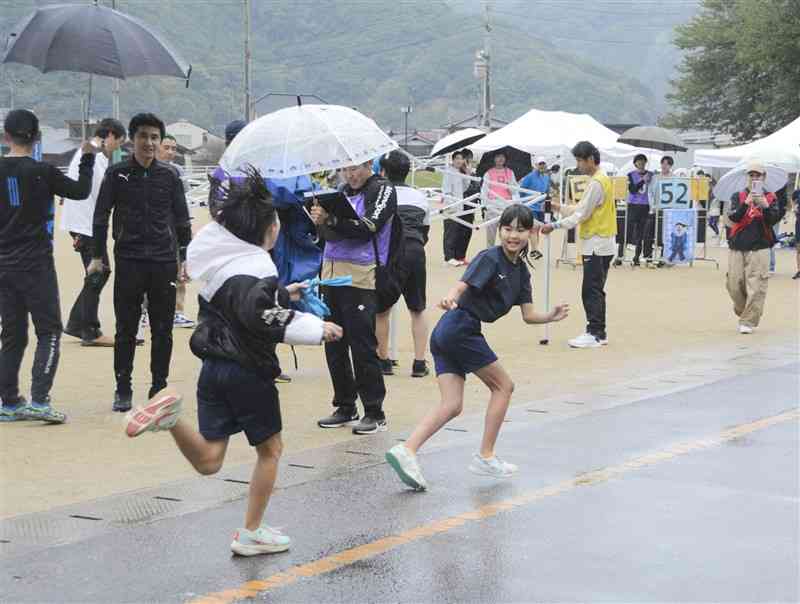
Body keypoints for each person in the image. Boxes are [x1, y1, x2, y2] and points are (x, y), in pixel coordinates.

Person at [124, 169, 342, 556]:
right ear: (268, 230)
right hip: (248, 371)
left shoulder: (223, 267)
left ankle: (172, 419)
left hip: (214, 369)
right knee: (271, 450)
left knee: (210, 460)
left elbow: (243, 303)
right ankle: (251, 532)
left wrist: (284, 293)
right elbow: (261, 317)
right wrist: (315, 328)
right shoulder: (258, 268)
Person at [385, 204, 568, 489]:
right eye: (507, 229)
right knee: (503, 387)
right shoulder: (490, 258)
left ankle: (406, 449)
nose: (513, 236)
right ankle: (486, 455)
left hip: (451, 331)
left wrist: (551, 316)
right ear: (500, 230)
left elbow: (529, 315)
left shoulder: (521, 272)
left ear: (529, 232)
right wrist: (449, 297)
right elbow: (461, 286)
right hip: (459, 326)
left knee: (452, 405)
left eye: (520, 230)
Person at [89, 113, 192, 412]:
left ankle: (159, 386)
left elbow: (183, 219)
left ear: (159, 141)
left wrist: (184, 257)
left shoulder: (170, 175)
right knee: (126, 328)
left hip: (163, 260)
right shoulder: (117, 174)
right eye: (143, 136)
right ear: (132, 140)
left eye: (154, 137)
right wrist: (97, 256)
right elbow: (100, 216)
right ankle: (123, 387)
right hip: (129, 259)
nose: (148, 142)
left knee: (163, 328)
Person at [0, 109, 97, 423]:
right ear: (37, 137)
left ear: (5, 137)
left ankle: (10, 402)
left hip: (3, 265)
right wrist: (86, 157)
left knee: (12, 335)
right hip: (36, 264)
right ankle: (40, 400)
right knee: (49, 331)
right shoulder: (43, 171)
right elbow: (81, 191)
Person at [310, 160, 396, 434]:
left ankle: (374, 411)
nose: (351, 174)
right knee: (333, 341)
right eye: (345, 169)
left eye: (356, 168)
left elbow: (368, 227)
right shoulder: (338, 193)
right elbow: (325, 235)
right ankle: (345, 405)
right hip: (331, 271)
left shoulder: (382, 189)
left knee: (361, 344)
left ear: (369, 164)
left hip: (363, 274)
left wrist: (332, 220)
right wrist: (318, 221)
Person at [542, 141, 616, 349]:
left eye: (580, 160)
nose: (579, 165)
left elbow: (581, 215)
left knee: (591, 290)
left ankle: (595, 332)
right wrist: (559, 206)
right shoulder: (602, 179)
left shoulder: (596, 183)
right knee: (596, 289)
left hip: (596, 242)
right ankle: (598, 332)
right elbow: (581, 208)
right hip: (604, 242)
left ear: (590, 159)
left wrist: (554, 225)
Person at [61, 118, 125, 347]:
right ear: (109, 135)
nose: (115, 149)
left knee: (97, 273)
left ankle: (78, 323)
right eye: (117, 143)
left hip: (79, 222)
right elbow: (101, 193)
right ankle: (89, 329)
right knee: (99, 272)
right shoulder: (96, 155)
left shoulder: (87, 150)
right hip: (85, 223)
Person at [375, 151, 430, 378]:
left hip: (391, 253)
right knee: (417, 309)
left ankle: (384, 361)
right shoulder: (420, 197)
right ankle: (419, 363)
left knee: (381, 310)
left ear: (383, 171)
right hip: (416, 251)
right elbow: (425, 230)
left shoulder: (381, 194)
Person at [725, 161, 781, 334]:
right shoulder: (737, 196)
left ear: (764, 178)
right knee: (734, 284)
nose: (754, 178)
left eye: (758, 175)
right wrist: (745, 204)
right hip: (738, 245)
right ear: (747, 177)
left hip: (760, 246)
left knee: (757, 285)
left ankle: (748, 321)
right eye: (751, 175)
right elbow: (733, 218)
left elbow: (774, 220)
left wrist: (765, 206)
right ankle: (744, 310)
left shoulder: (771, 197)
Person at [158, 134, 195, 329]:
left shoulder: (179, 172)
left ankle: (177, 312)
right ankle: (147, 312)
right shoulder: (148, 171)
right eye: (167, 147)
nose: (171, 152)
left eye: (174, 148)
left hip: (177, 230)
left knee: (181, 271)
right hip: (157, 231)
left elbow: (185, 203)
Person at [617, 153, 653, 266]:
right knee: (627, 230)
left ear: (646, 162)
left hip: (645, 206)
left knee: (641, 233)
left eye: (643, 161)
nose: (641, 163)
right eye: (638, 161)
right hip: (632, 205)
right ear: (635, 163)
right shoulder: (630, 175)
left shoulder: (651, 175)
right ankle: (620, 256)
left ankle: (637, 256)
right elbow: (632, 189)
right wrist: (643, 181)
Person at [441, 150, 474, 267]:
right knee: (450, 232)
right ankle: (448, 257)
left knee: (457, 232)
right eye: (458, 158)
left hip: (459, 206)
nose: (460, 161)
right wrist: (451, 204)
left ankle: (455, 256)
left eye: (462, 159)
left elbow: (465, 187)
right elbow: (446, 190)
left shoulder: (460, 172)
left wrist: (467, 174)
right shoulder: (448, 171)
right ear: (453, 159)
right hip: (451, 206)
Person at [481, 151, 518, 247]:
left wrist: (510, 184)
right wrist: (484, 205)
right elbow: (484, 191)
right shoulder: (488, 173)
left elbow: (514, 191)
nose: (500, 159)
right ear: (494, 159)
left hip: (506, 205)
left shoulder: (510, 172)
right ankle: (490, 252)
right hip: (492, 205)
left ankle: (505, 254)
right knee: (491, 234)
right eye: (498, 157)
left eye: (502, 157)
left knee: (506, 233)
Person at [519, 156, 551, 260]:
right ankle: (534, 250)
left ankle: (532, 249)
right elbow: (521, 191)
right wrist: (525, 202)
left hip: (540, 207)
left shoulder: (546, 177)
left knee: (536, 230)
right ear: (536, 165)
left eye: (543, 164)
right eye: (540, 164)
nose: (542, 166)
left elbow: (546, 191)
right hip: (529, 206)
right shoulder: (529, 177)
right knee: (534, 228)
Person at [647, 155, 675, 263]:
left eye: (667, 163)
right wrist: (652, 206)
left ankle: (664, 257)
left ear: (671, 165)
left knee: (666, 233)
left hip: (668, 210)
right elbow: (650, 192)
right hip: (655, 209)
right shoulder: (655, 177)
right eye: (663, 163)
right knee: (650, 233)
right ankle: (648, 256)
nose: (664, 165)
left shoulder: (674, 178)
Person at [793, 188, 800, 280]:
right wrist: (794, 208)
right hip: (799, 223)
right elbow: (793, 201)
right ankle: (799, 270)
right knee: (799, 248)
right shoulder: (797, 192)